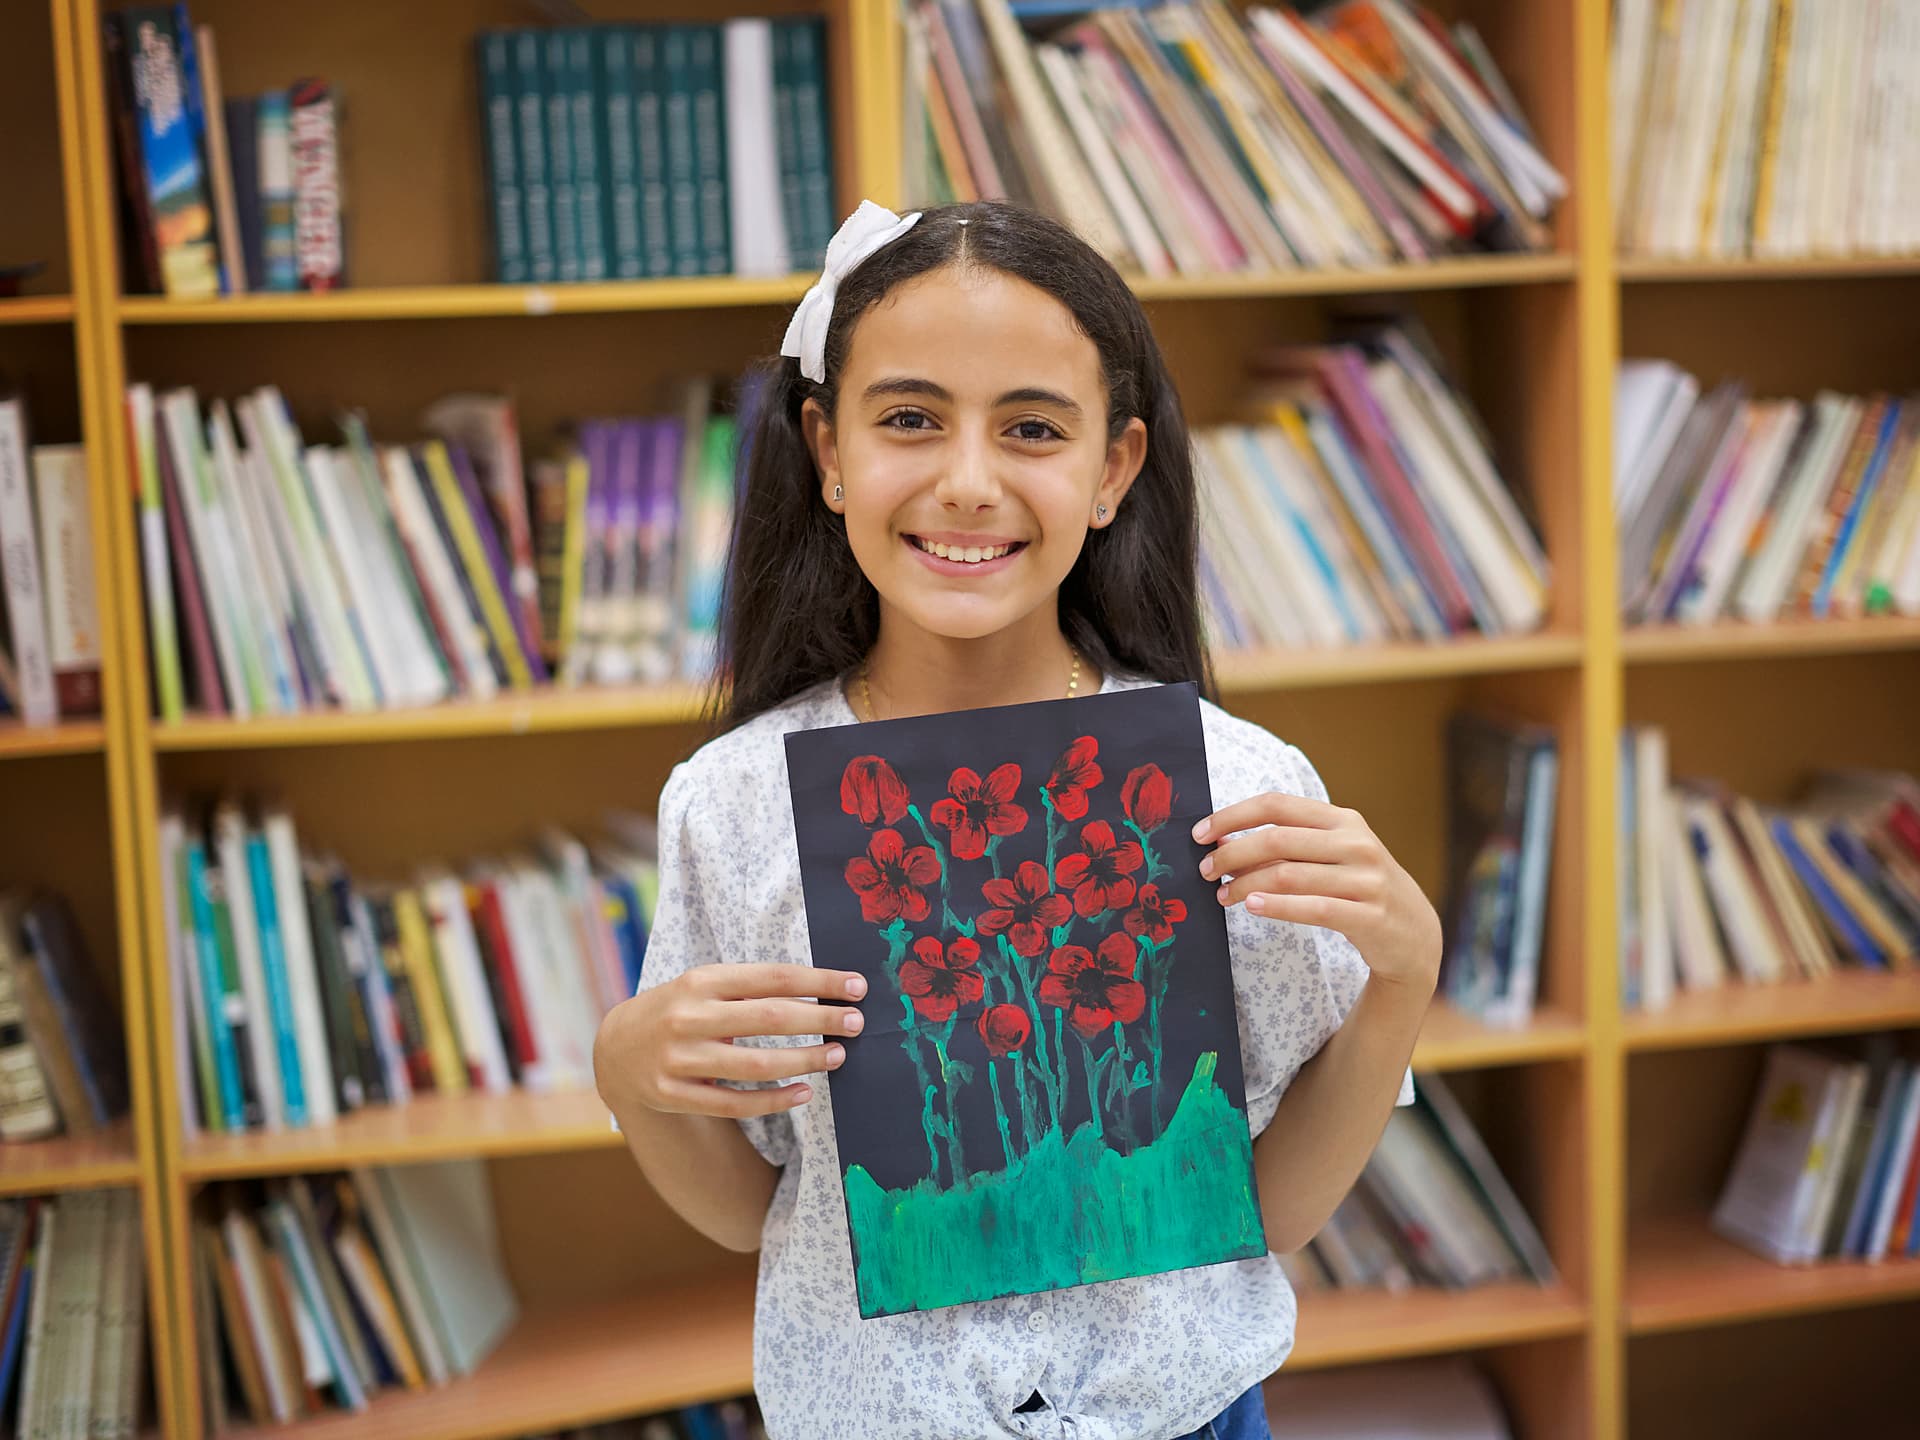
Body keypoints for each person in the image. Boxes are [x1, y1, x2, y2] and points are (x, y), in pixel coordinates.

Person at [593, 199, 1439, 1440]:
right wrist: (630, 1070)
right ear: (829, 453)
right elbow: (755, 1214)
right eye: (909, 420)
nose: (968, 481)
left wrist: (1403, 979)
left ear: (1112, 469)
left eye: (1032, 428)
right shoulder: (732, 805)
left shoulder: (1236, 778)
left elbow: (1270, 1212)